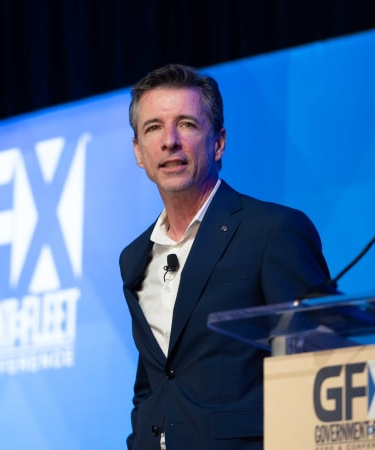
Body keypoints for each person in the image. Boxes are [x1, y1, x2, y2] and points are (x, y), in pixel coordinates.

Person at [119, 63, 335, 449]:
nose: (169, 141)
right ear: (138, 151)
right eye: (153, 128)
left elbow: (320, 359)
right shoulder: (136, 257)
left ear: (218, 142)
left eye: (186, 124)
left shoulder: (272, 231)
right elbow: (153, 380)